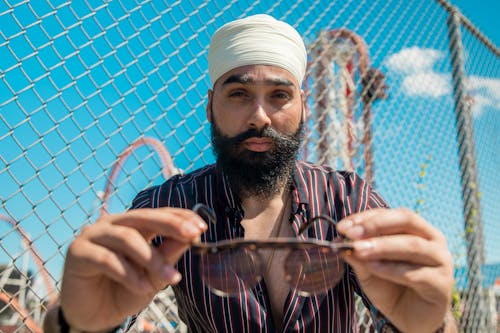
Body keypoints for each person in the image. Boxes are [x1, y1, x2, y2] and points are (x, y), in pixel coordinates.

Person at [44, 14, 456, 333]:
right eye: (239, 94)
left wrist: (430, 325)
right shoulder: (167, 207)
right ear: (210, 106)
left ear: (303, 108)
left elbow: (415, 314)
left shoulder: (347, 200)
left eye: (279, 95)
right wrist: (78, 323)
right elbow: (90, 315)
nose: (260, 117)